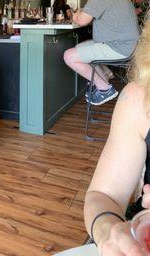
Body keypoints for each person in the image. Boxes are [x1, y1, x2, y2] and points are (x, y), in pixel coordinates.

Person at [84, 20, 150, 256]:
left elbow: (81, 20)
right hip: (140, 236)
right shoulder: (139, 99)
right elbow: (104, 196)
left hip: (116, 50)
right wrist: (109, 232)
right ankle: (104, 85)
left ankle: (103, 88)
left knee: (71, 55)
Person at [63, 0, 139, 106]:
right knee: (82, 46)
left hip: (120, 47)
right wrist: (82, 14)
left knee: (69, 56)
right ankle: (105, 75)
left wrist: (76, 14)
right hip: (127, 45)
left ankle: (105, 89)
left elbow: (82, 20)